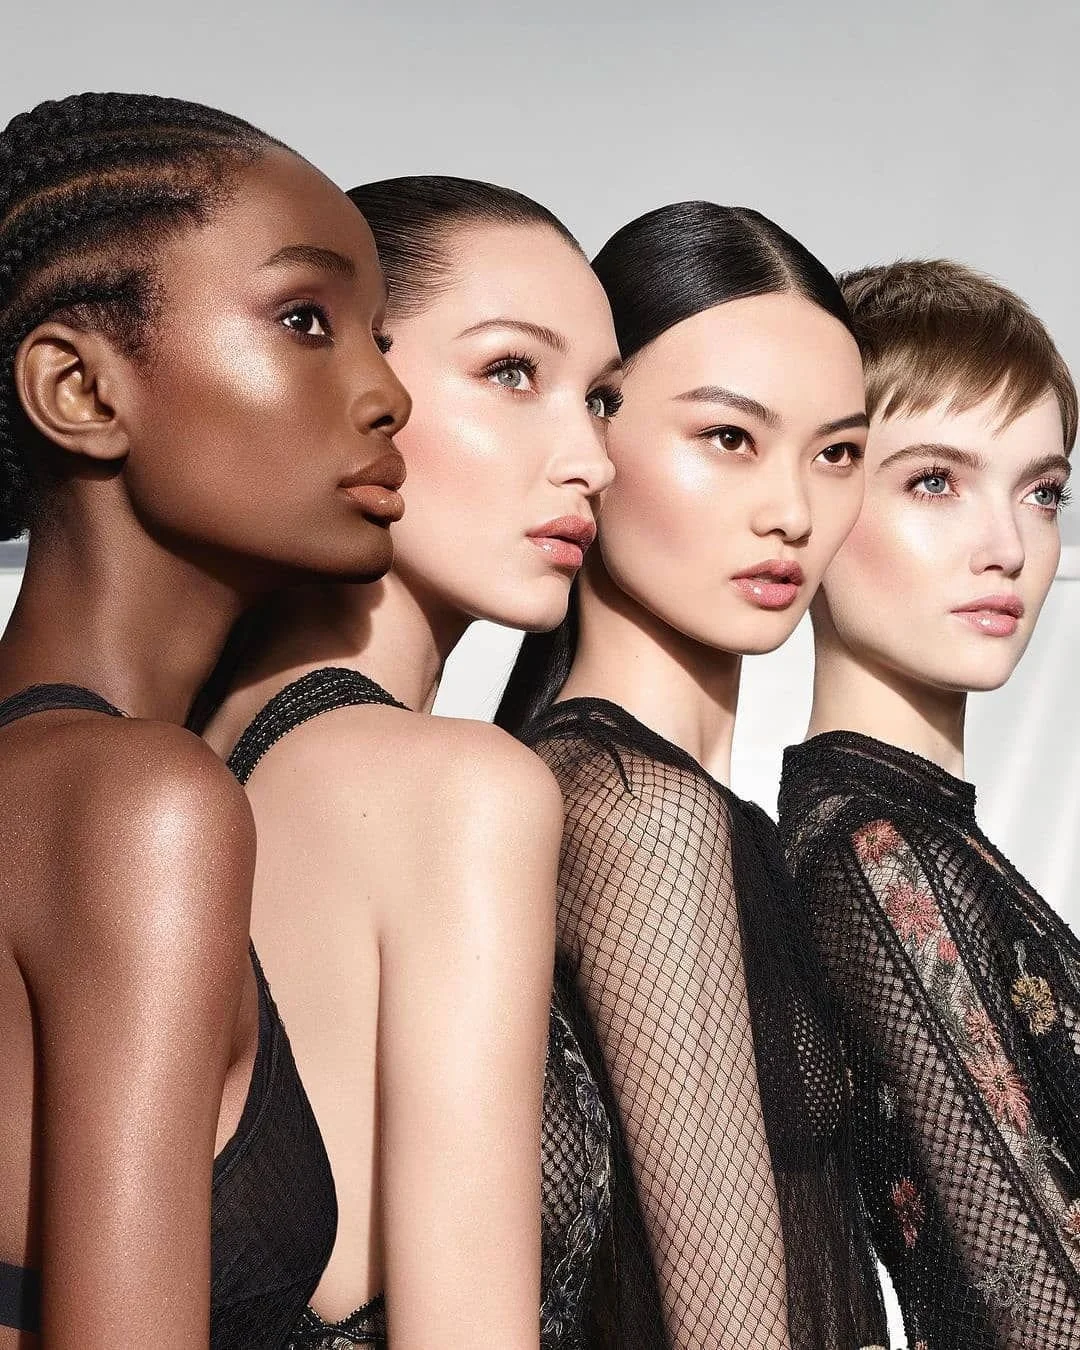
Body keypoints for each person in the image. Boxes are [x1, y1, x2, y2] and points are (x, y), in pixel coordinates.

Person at [0, 91, 410, 1348]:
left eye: (378, 336)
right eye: (305, 321)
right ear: (79, 388)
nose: (389, 394)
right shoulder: (142, 806)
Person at [197, 177, 624, 1349]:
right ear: (351, 390)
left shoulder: (190, 755)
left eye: (602, 399)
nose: (590, 456)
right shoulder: (462, 792)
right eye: (510, 373)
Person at [496, 200, 887, 1350]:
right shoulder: (637, 813)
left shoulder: (638, 798)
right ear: (594, 431)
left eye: (839, 453)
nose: (794, 511)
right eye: (729, 438)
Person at [778, 258, 1078, 1349]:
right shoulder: (878, 853)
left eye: (1043, 489)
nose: (1010, 547)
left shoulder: (912, 836)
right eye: (936, 481)